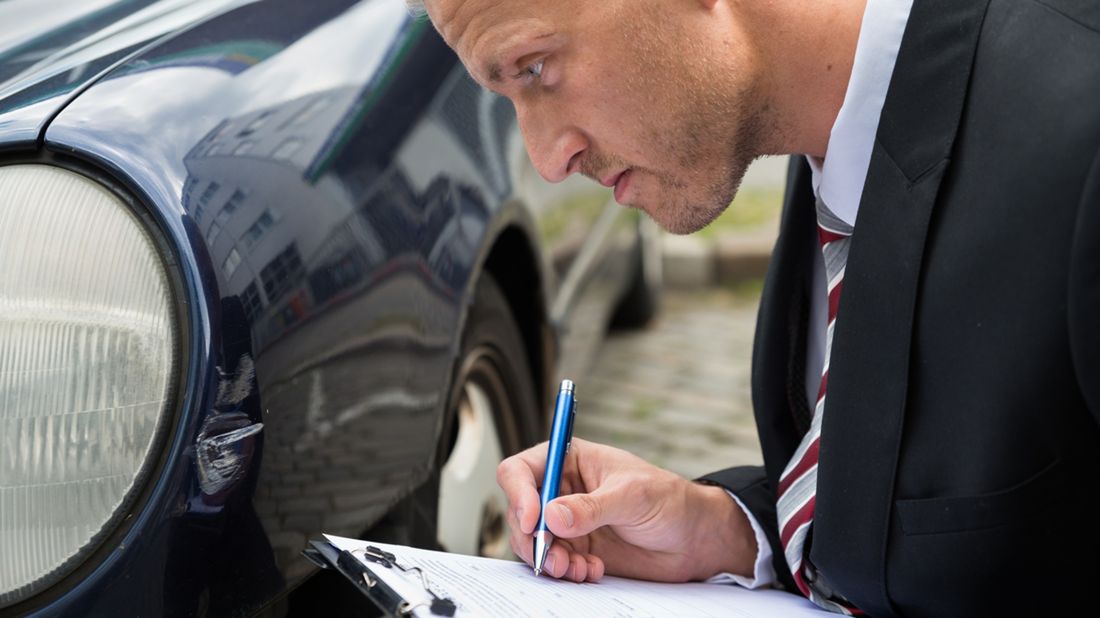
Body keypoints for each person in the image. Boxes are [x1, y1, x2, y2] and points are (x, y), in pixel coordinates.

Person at [410, 0, 1100, 615]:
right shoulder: (821, 139)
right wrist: (725, 531)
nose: (546, 159)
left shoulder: (1079, 129)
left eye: (534, 69)